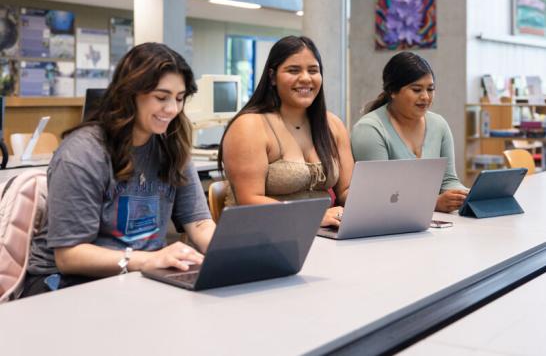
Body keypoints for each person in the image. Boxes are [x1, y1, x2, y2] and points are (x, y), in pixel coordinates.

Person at [23, 43, 215, 296]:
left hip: (139, 275)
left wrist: (232, 256)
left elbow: (199, 223)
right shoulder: (83, 153)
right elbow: (70, 255)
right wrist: (147, 261)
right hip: (66, 283)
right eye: (161, 97)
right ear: (130, 94)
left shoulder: (172, 145)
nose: (172, 109)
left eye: (179, 99)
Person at [219, 35, 354, 227]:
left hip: (321, 234)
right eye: (293, 70)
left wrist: (376, 202)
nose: (306, 78)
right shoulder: (249, 126)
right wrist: (313, 217)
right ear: (272, 77)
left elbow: (346, 190)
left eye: (313, 70)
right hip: (262, 234)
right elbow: (249, 200)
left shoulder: (332, 124)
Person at [351, 51, 467, 213]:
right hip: (387, 225)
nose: (426, 97)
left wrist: (463, 196)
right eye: (417, 89)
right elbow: (379, 194)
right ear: (393, 91)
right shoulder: (370, 130)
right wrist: (433, 203)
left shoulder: (439, 125)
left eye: (430, 89)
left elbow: (448, 180)